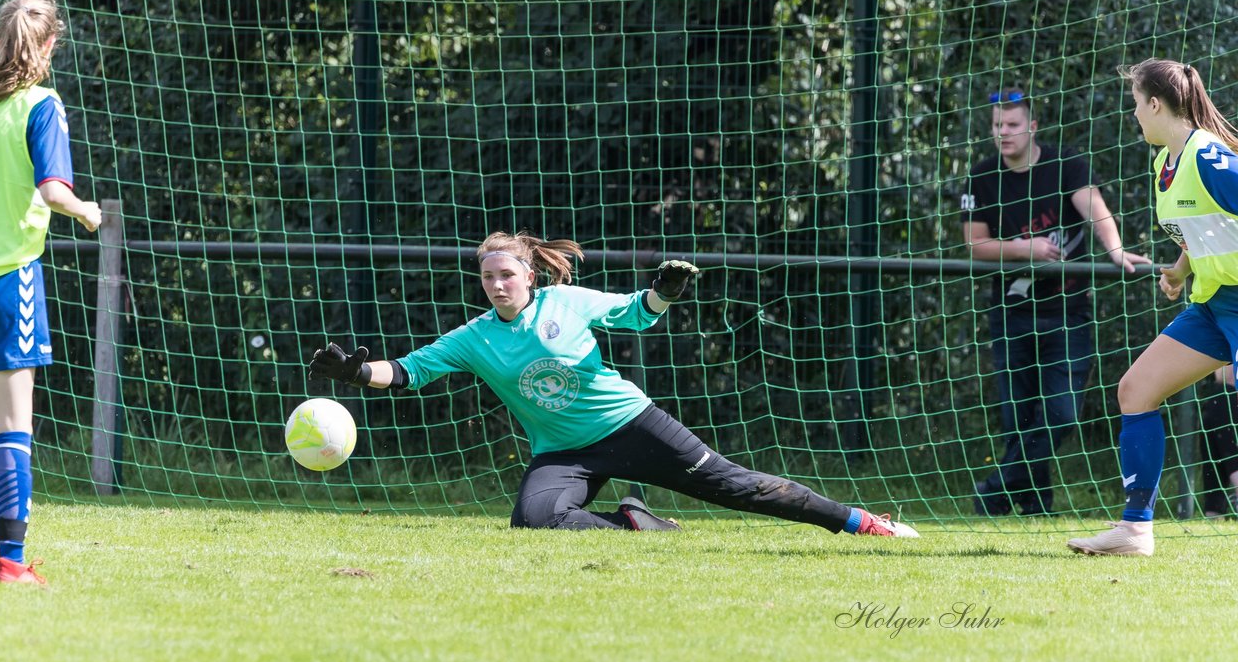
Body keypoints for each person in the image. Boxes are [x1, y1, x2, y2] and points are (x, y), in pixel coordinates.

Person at [307, 230, 919, 538]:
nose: (497, 284)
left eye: (507, 274)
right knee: (534, 521)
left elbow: (634, 308)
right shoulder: (475, 337)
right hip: (563, 453)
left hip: (630, 424)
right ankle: (634, 524)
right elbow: (410, 371)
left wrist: (662, 293)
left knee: (738, 488)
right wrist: (358, 373)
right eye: (488, 276)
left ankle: (864, 524)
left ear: (529, 273)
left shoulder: (566, 300)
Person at [1067, 58, 1238, 557]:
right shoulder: (1166, 161)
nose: (1134, 115)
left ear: (1156, 104)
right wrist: (1183, 269)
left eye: (1136, 105)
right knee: (1136, 389)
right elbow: (1208, 225)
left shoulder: (1207, 155)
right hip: (1212, 303)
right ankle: (1135, 531)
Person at [0, 0, 101, 585]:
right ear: (48, 47)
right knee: (12, 426)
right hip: (5, 277)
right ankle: (12, 565)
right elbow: (52, 192)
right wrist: (89, 211)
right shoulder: (43, 105)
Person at [962, 87, 1149, 516]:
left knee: (1062, 413)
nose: (1003, 132)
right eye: (997, 125)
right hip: (1009, 315)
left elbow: (1096, 210)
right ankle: (1033, 504)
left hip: (1068, 314)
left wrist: (1116, 251)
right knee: (1017, 419)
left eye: (1011, 124)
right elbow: (975, 245)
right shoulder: (981, 175)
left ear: (1032, 126)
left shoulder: (1066, 165)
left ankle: (994, 488)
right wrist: (1023, 248)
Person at [1197, 365, 1238, 517]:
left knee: (1230, 450)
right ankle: (1213, 513)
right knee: (1212, 459)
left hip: (1230, 393)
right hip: (1221, 393)